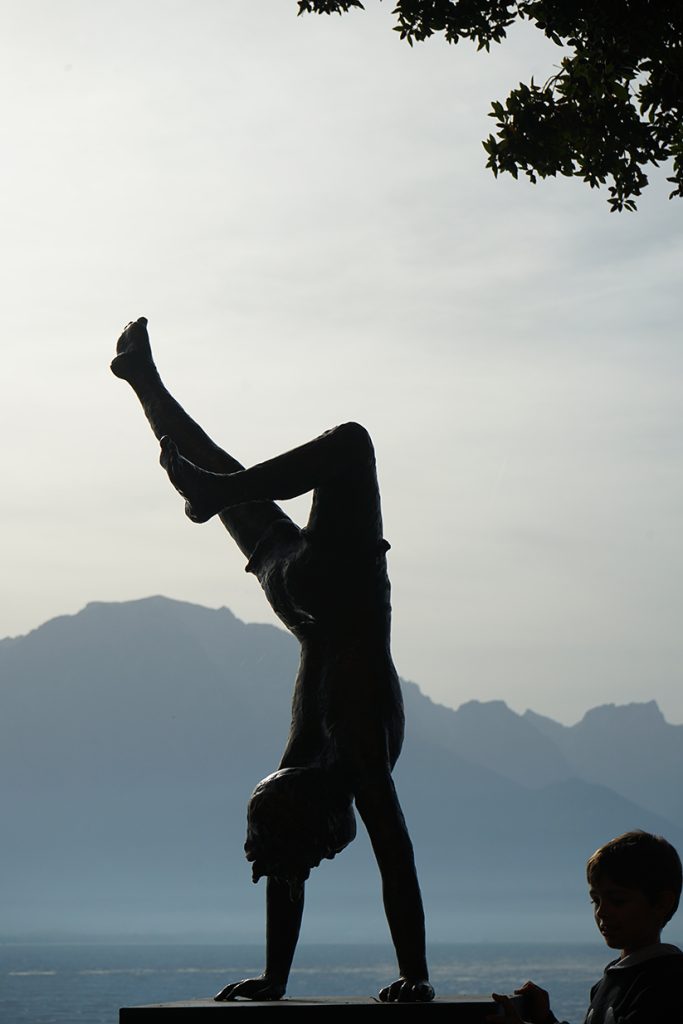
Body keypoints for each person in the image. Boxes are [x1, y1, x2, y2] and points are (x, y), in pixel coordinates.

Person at [111, 317, 434, 1004]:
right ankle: (146, 387)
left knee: (275, 465)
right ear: (299, 794)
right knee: (269, 466)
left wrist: (277, 980)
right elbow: (392, 862)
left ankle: (149, 391)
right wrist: (415, 976)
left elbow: (292, 864)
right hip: (315, 591)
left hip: (322, 594)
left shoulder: (318, 763)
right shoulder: (352, 753)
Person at [488, 830, 683, 1024]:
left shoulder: (668, 985)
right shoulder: (610, 980)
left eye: (618, 901)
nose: (601, 912)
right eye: (596, 901)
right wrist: (546, 1020)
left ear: (661, 903)